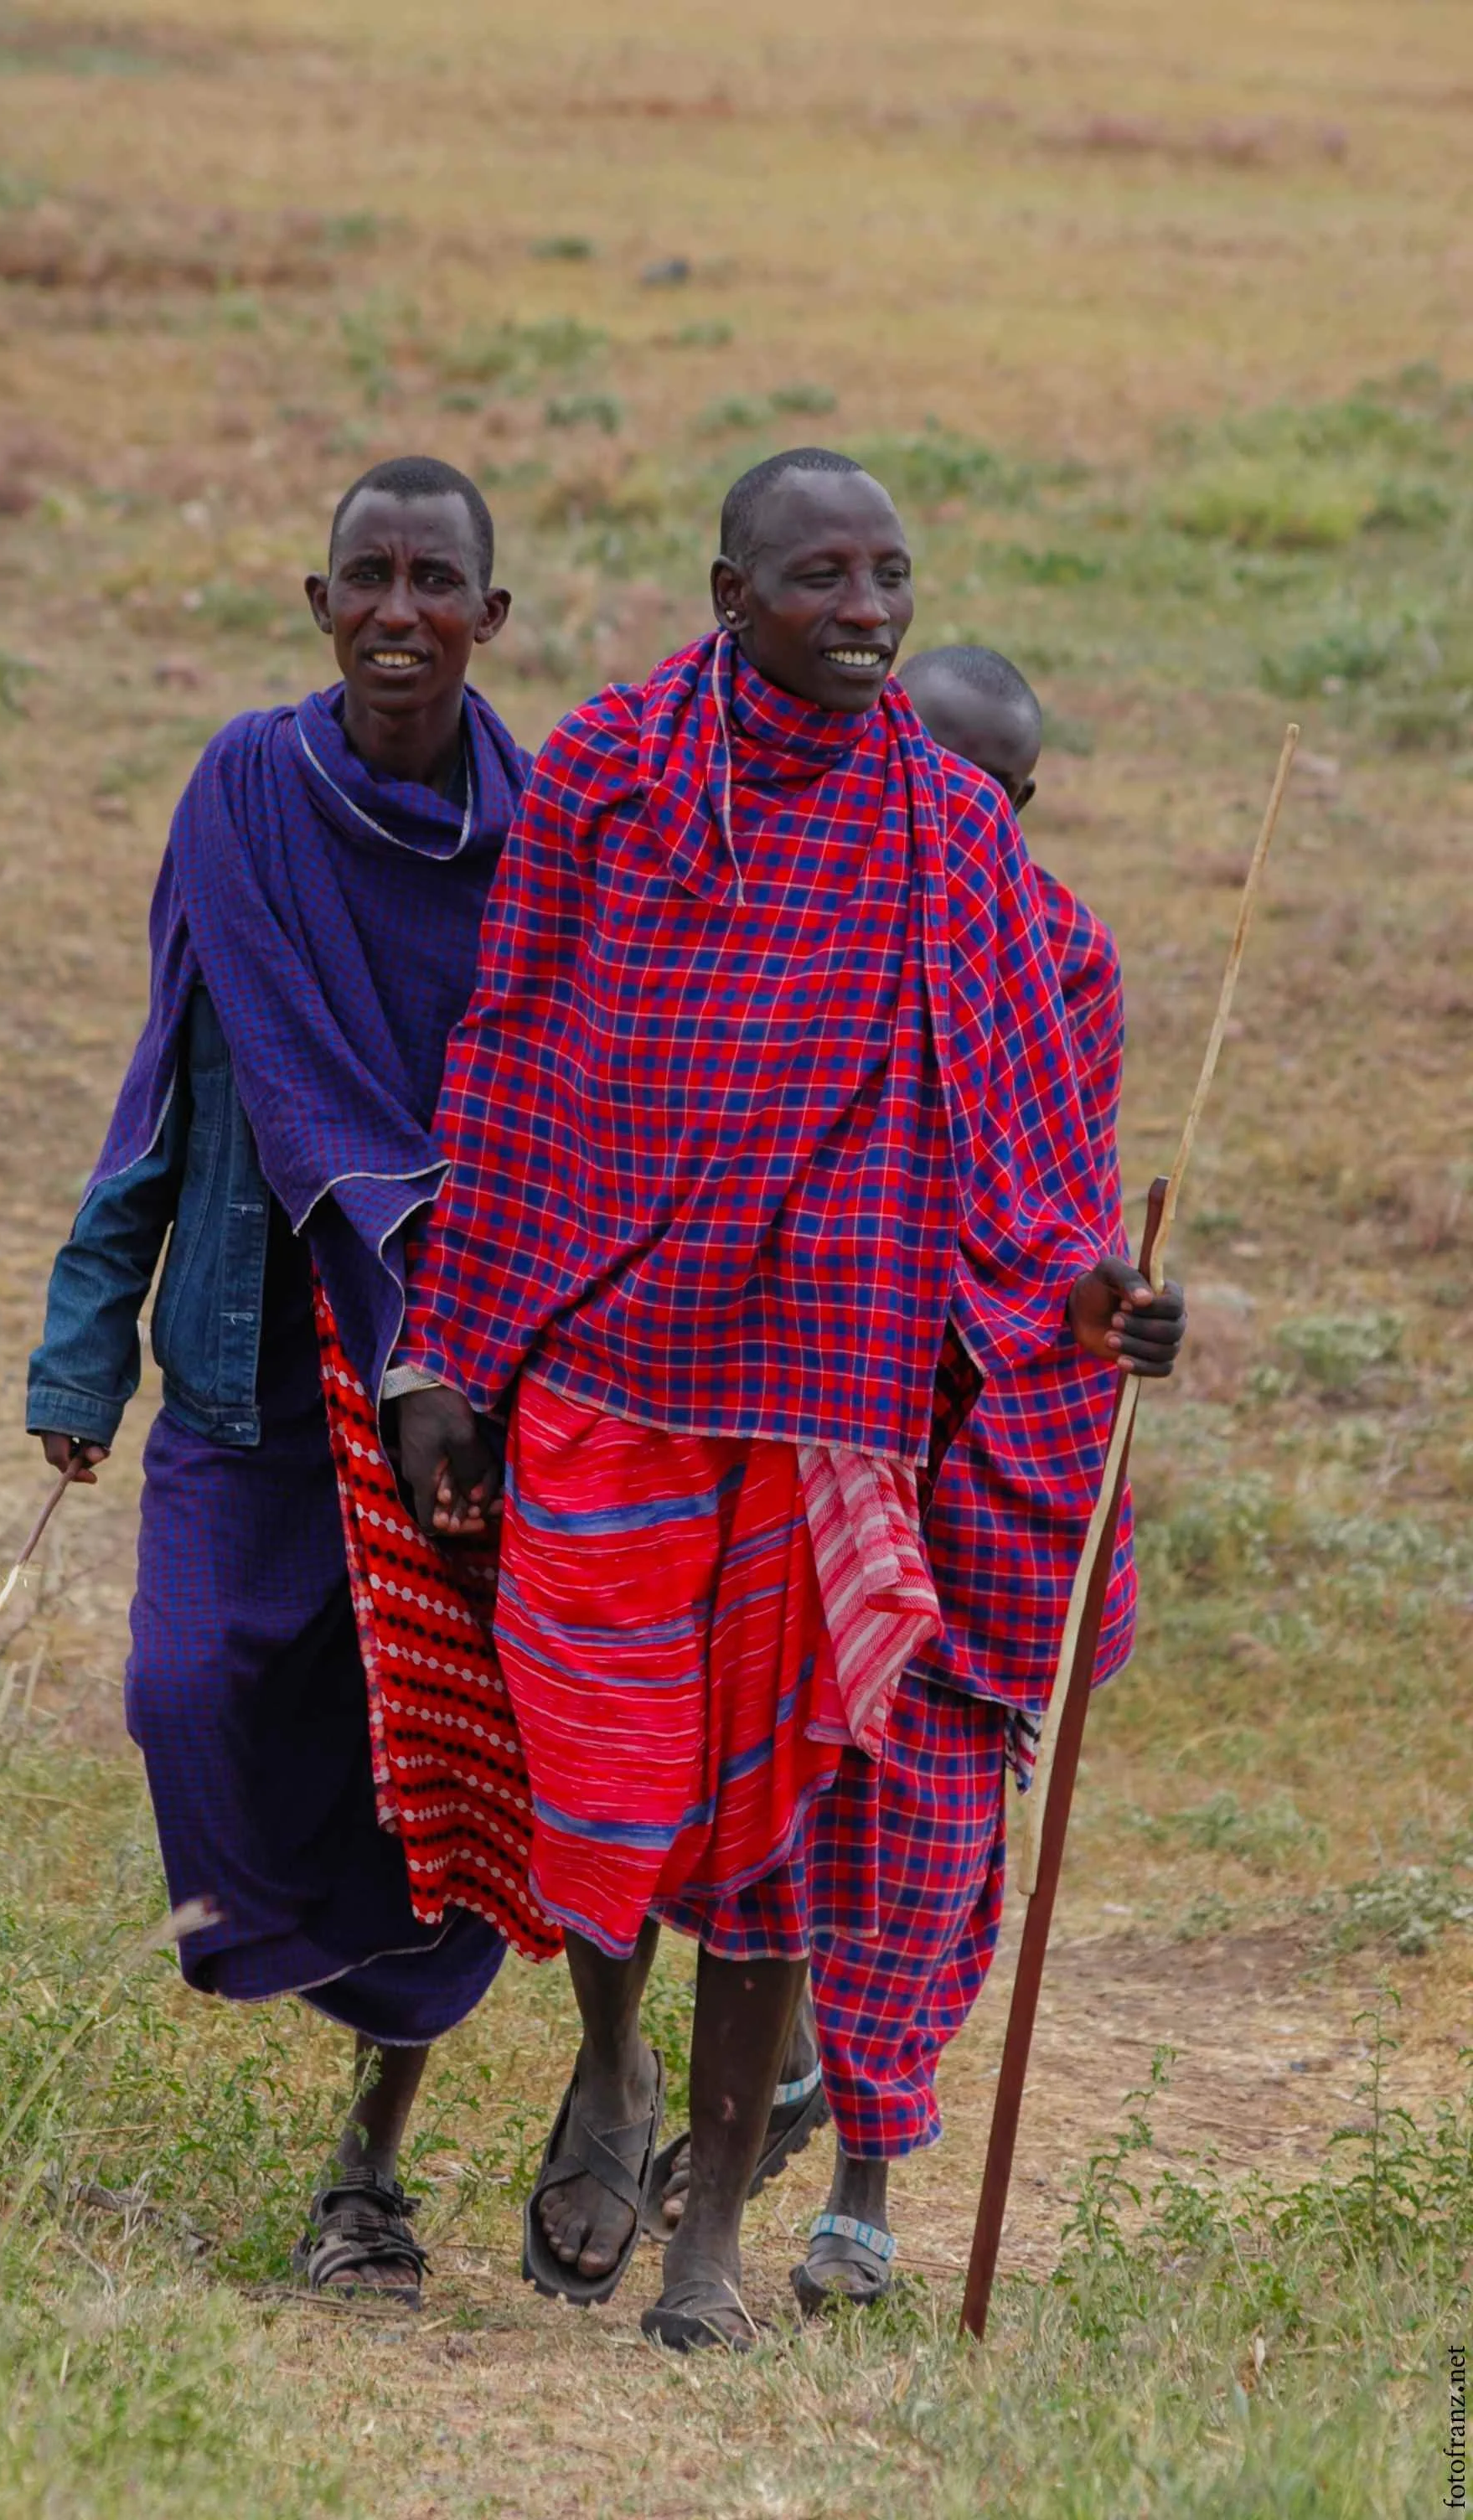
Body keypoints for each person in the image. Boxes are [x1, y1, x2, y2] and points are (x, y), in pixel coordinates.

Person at [390, 452, 1185, 2349]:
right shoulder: (609, 769)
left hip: (829, 1396)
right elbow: (506, 1061)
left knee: (764, 1816)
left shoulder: (943, 828)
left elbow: (1020, 1132)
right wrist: (447, 1350)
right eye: (821, 577)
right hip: (610, 1365)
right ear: (727, 589)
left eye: (891, 576)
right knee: (597, 1770)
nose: (866, 612)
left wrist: (1094, 1302)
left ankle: (708, 2251)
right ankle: (607, 2062)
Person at [25, 457, 531, 2307]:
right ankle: (326, 2006)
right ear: (315, 607)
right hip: (253, 1352)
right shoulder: (246, 787)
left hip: (464, 1402)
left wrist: (453, 1355)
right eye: (365, 579)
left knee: (438, 1785)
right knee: (193, 1690)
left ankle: (369, 2175)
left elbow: (555, 1131)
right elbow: (167, 1064)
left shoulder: (547, 835)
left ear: (493, 614)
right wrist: (87, 1335)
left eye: (436, 580)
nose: (400, 610)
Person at [655, 643, 1181, 2308]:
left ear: (1009, 806)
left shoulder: (1066, 962)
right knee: (779, 1788)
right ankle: (758, 2087)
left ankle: (866, 2170)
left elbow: (1061, 1207)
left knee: (939, 1811)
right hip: (807, 1407)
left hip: (991, 1423)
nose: (930, 806)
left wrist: (1111, 1319)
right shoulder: (790, 921)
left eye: (971, 789)